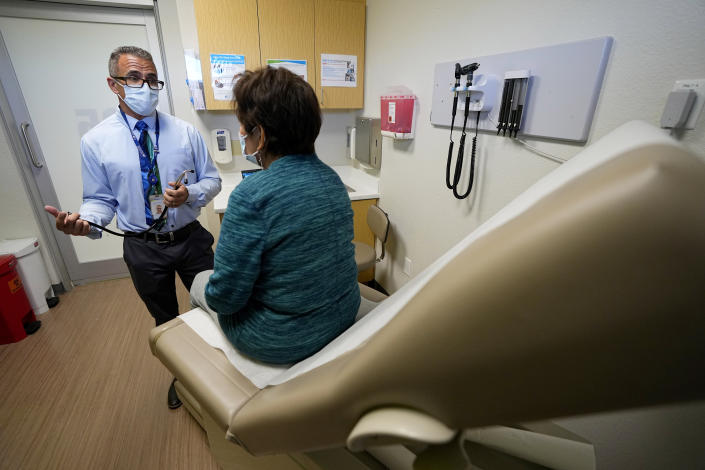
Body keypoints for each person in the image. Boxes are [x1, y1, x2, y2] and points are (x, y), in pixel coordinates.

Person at [45, 46, 221, 409]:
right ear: (114, 85)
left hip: (190, 239)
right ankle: (184, 377)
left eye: (152, 78)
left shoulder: (185, 132)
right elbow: (99, 200)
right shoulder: (96, 141)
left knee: (213, 305)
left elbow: (212, 181)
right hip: (143, 246)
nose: (147, 86)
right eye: (136, 78)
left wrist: (190, 193)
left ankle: (221, 372)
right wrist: (86, 222)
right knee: (165, 317)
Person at [190, 67, 360, 364]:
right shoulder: (332, 179)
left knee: (200, 281)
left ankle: (206, 364)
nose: (241, 133)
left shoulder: (251, 196)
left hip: (280, 339)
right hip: (344, 314)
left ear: (261, 135)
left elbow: (226, 298)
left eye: (243, 125)